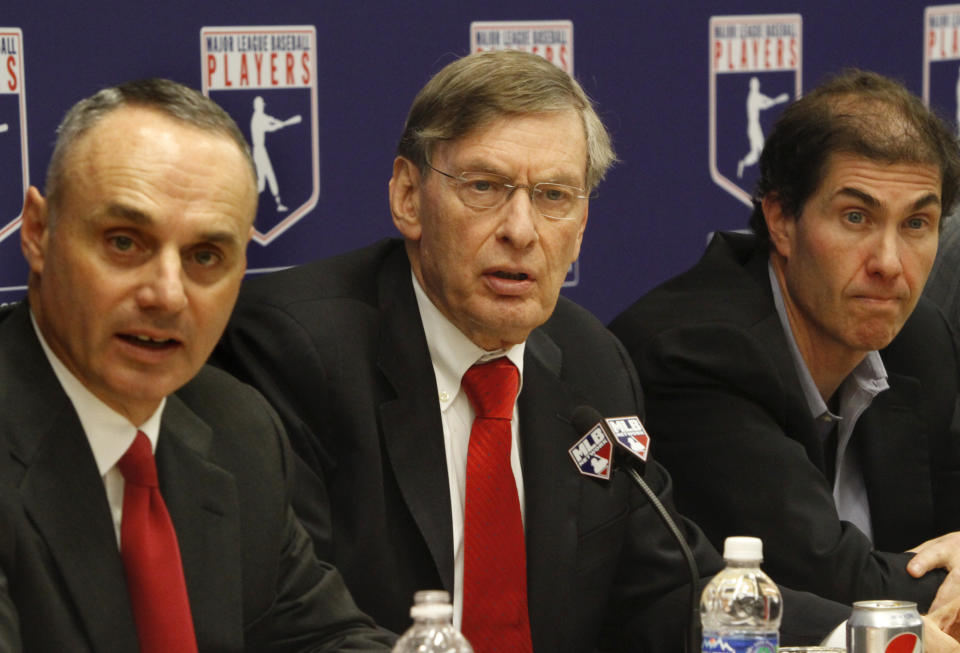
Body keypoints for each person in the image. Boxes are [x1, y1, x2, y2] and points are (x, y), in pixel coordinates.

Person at [214, 50, 857, 652]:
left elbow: (662, 587)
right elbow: (298, 623)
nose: (521, 231)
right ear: (409, 198)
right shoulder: (296, 351)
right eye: (484, 187)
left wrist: (856, 638)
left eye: (553, 196)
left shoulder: (591, 363)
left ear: (580, 226)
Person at [0, 78, 393, 651]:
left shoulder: (238, 428)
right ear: (38, 233)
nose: (168, 294)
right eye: (124, 243)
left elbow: (320, 638)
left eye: (204, 256)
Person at [610, 69, 960, 615]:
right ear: (781, 220)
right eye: (855, 217)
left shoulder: (918, 342)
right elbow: (828, 581)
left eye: (917, 223)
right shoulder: (697, 353)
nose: (889, 264)